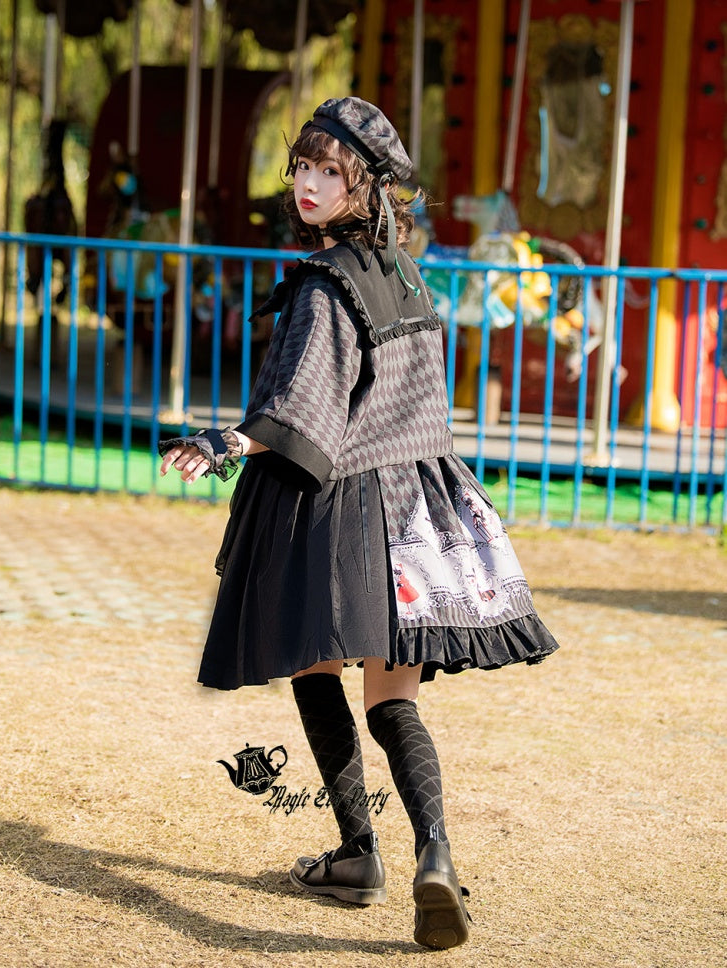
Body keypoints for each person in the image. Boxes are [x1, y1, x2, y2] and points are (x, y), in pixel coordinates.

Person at [159, 97, 559, 951]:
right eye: (302, 167)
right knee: (393, 699)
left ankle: (357, 853)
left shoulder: (324, 284)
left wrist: (227, 440)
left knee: (314, 665)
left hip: (342, 509)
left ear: (365, 186)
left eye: (329, 172)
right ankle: (436, 855)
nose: (307, 184)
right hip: (419, 511)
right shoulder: (411, 275)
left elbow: (306, 403)